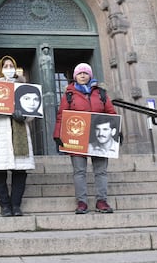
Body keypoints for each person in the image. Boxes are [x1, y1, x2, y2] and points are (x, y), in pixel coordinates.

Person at [0, 55, 36, 217]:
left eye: (11, 66)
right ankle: (4, 205)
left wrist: (24, 117)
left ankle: (16, 205)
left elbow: (31, 109)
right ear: (0, 69)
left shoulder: (23, 86)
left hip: (19, 131)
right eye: (5, 66)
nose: (8, 68)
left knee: (20, 171)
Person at [53, 63, 117, 214]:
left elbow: (111, 112)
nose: (83, 75)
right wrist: (58, 135)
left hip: (98, 135)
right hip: (77, 136)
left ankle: (101, 201)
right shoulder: (69, 94)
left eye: (85, 73)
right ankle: (81, 202)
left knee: (100, 171)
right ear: (75, 76)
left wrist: (117, 131)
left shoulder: (101, 93)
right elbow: (61, 116)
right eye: (80, 73)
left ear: (90, 75)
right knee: (79, 171)